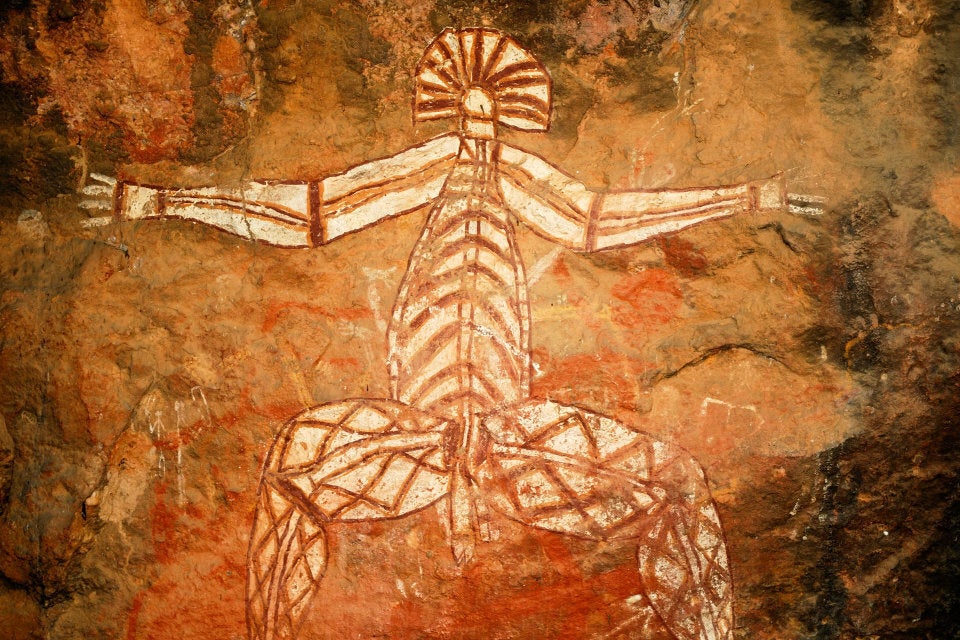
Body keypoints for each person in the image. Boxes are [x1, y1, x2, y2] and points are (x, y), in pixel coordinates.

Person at [83, 26, 818, 640]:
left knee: (676, 483)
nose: (475, 120)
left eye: (487, 107)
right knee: (292, 464)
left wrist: (752, 194)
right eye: (465, 106)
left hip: (514, 436)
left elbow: (597, 217)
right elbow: (310, 212)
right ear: (445, 108)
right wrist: (155, 199)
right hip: (415, 434)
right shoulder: (427, 169)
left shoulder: (521, 176)